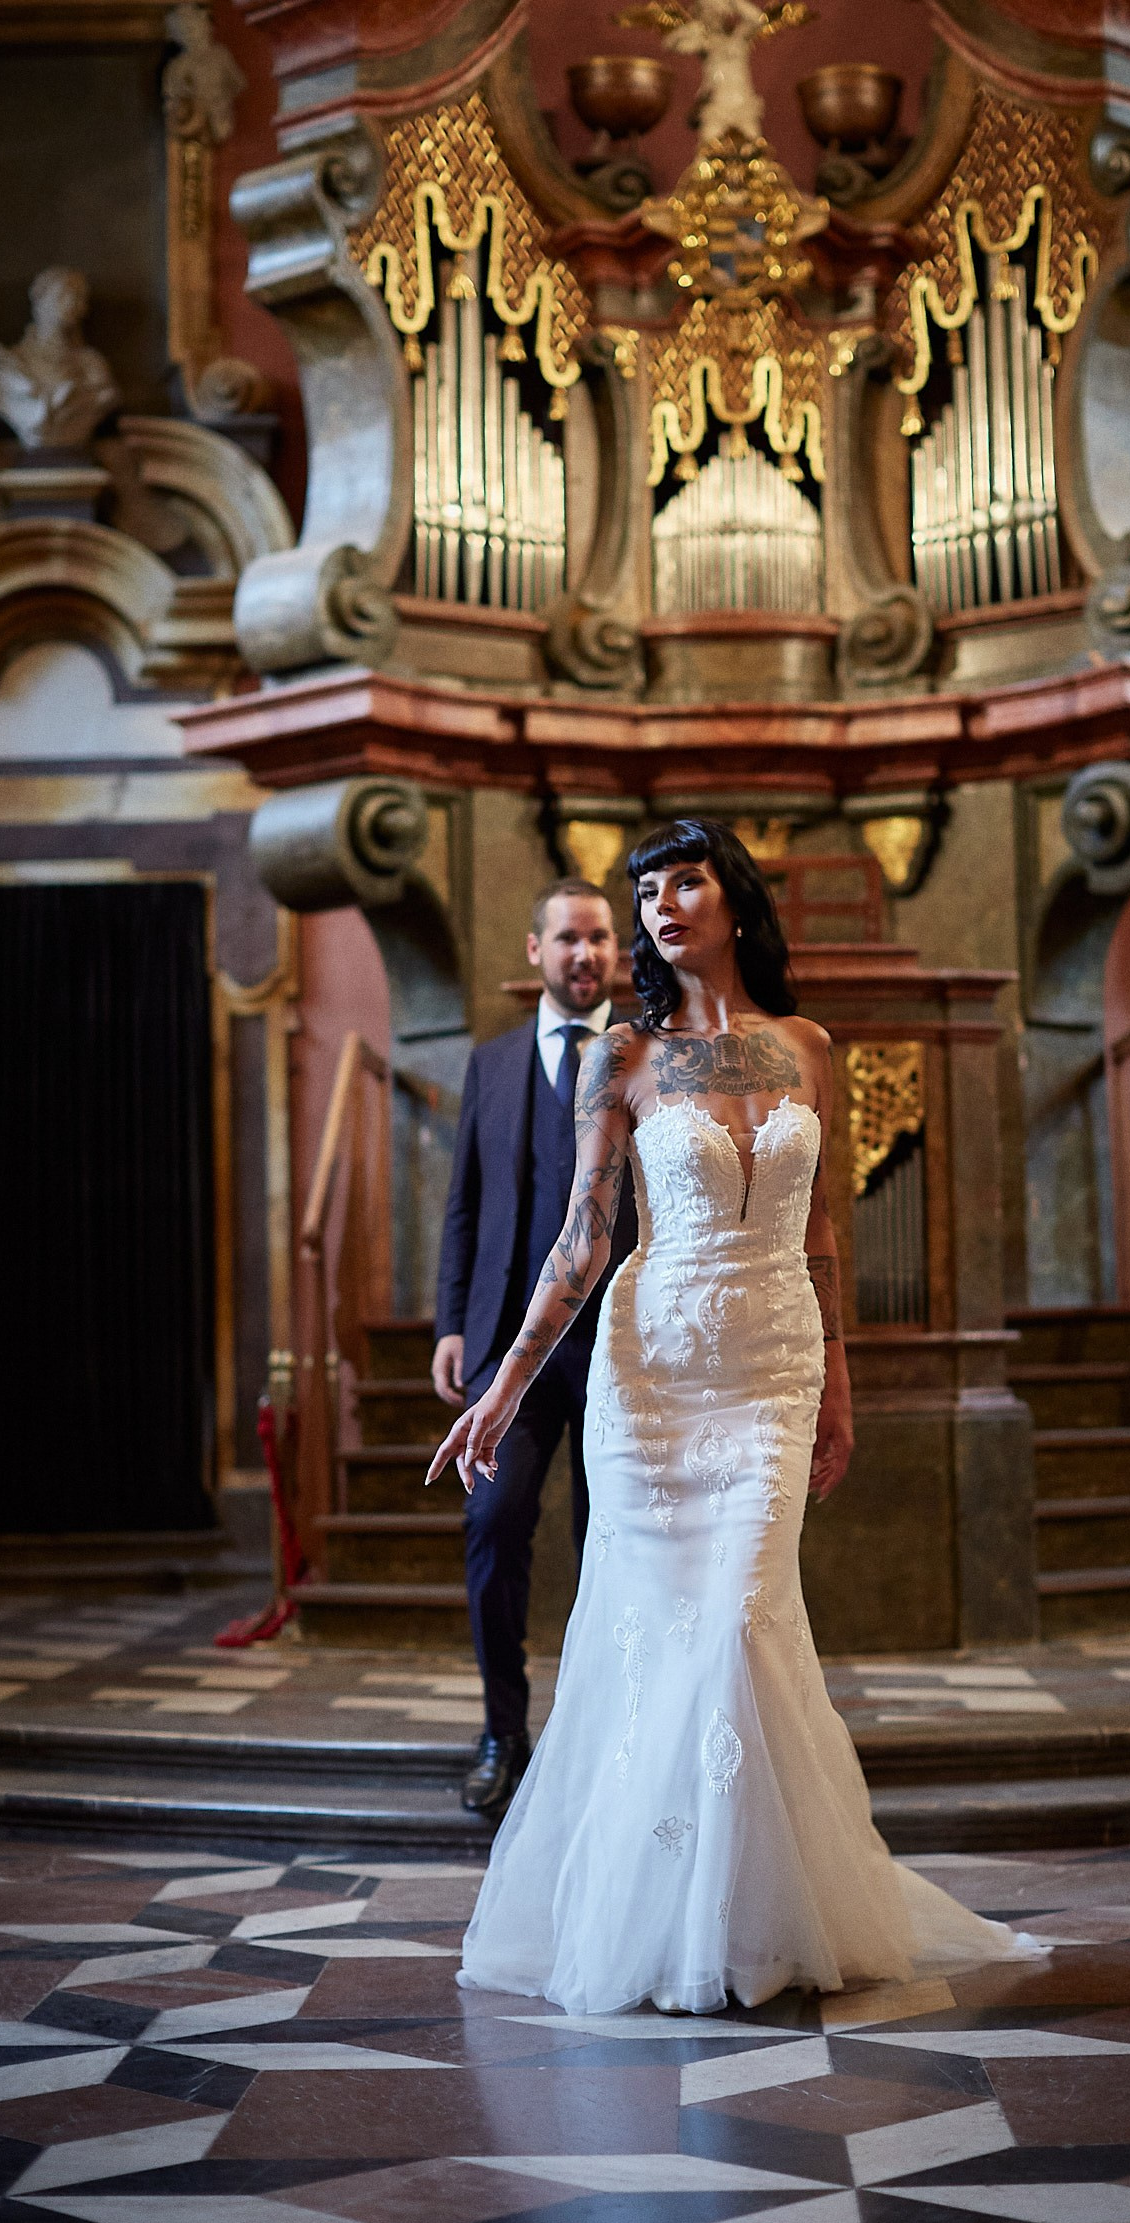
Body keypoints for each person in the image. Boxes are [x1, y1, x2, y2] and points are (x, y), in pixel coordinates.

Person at [429, 819, 1045, 2015]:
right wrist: (503, 1383)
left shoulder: (810, 1045)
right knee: (673, 1641)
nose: (660, 905)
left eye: (684, 881)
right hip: (652, 1371)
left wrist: (843, 1387)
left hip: (775, 1361)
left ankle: (750, 1914)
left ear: (734, 897)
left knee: (747, 1616)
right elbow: (583, 1236)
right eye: (643, 889)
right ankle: (675, 1926)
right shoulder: (626, 1054)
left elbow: (825, 1234)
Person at [433, 876, 637, 1820]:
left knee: (613, 1543)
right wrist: (452, 1323)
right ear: (536, 951)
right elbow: (467, 1204)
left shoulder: (648, 1058)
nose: (584, 955)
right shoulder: (493, 1063)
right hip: (508, 1350)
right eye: (568, 940)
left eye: (599, 939)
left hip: (621, 1346)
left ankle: (605, 1741)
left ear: (617, 953)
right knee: (492, 1526)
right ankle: (501, 1733)